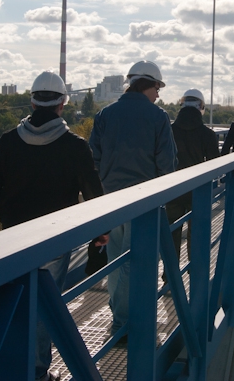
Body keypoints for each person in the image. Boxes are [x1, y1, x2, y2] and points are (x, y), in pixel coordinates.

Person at [0, 70, 104, 381]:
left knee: (13, 301)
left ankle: (6, 366)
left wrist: (8, 215)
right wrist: (100, 233)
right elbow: (93, 195)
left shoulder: (9, 141)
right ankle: (35, 373)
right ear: (62, 104)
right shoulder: (75, 146)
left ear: (32, 103)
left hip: (13, 237)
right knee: (43, 308)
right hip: (54, 239)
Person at [89, 60, 177, 339]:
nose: (159, 94)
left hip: (110, 200)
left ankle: (119, 318)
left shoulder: (105, 114)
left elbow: (94, 158)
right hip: (144, 202)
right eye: (157, 87)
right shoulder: (158, 117)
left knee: (116, 263)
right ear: (147, 85)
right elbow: (167, 164)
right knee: (138, 264)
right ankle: (126, 326)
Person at [165, 89, 219, 276]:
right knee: (196, 233)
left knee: (172, 232)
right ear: (201, 107)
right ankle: (195, 269)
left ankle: (169, 274)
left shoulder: (169, 131)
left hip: (173, 189)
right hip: (198, 190)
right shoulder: (208, 134)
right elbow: (215, 164)